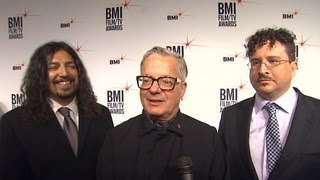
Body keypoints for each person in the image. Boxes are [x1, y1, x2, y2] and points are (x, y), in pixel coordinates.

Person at [97, 46, 227, 180]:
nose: (154, 89)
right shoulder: (116, 139)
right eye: (146, 80)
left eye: (166, 81)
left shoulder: (207, 139)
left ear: (182, 89)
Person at [0, 41, 114, 180]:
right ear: (39, 75)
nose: (64, 73)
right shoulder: (14, 123)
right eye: (53, 67)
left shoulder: (101, 115)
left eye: (71, 66)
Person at [218, 27, 320, 180]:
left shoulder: (317, 113)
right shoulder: (231, 116)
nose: (262, 70)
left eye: (273, 61)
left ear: (293, 68)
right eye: (255, 62)